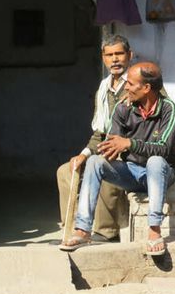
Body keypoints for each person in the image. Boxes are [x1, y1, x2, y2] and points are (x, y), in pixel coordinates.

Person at [61, 61, 175, 256]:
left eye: (131, 84)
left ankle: (154, 230)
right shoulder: (123, 108)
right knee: (95, 162)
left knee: (156, 161)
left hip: (161, 175)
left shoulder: (169, 109)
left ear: (147, 87)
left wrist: (130, 144)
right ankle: (83, 230)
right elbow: (113, 143)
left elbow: (164, 149)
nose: (126, 87)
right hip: (131, 172)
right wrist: (109, 149)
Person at [54, 35, 134, 242]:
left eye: (119, 54)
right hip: (106, 147)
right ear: (103, 59)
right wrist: (83, 154)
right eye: (109, 55)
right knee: (67, 170)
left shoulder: (139, 83)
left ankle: (105, 231)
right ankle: (72, 229)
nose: (115, 59)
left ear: (129, 55)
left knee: (102, 166)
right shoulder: (104, 87)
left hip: (131, 154)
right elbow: (100, 132)